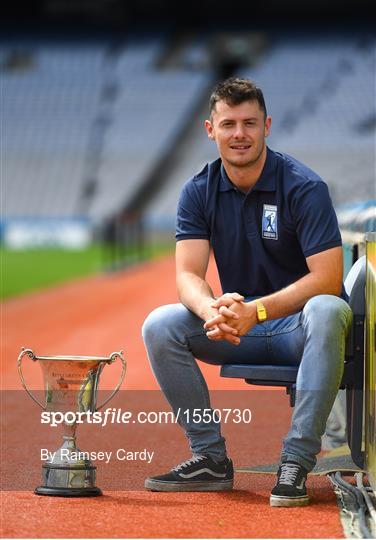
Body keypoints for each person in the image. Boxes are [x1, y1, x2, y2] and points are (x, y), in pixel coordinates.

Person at [142, 77, 352, 507]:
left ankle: (296, 460)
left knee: (329, 309)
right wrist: (211, 309)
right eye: (229, 124)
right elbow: (188, 275)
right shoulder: (198, 191)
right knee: (160, 324)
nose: (240, 134)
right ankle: (209, 459)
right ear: (210, 129)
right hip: (240, 329)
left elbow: (328, 278)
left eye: (250, 123)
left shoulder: (304, 187)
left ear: (267, 126)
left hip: (299, 329)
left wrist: (254, 311)